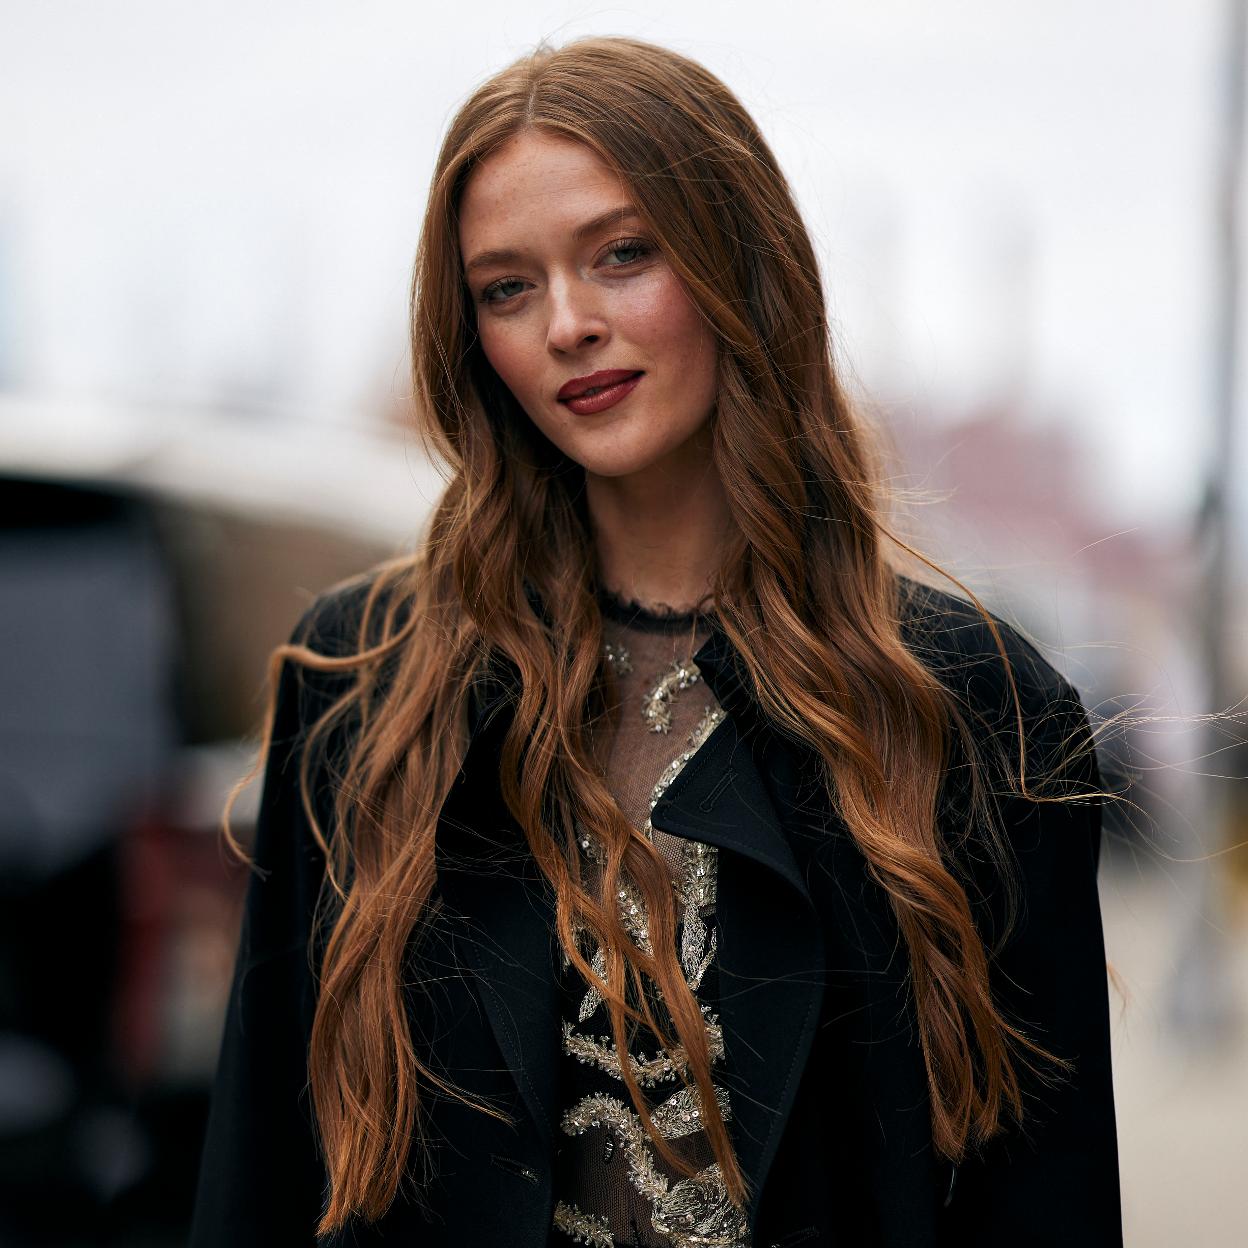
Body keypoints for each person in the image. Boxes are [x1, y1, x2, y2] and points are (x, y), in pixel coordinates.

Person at [189, 35, 1122, 1248]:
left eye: (622, 255)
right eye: (507, 287)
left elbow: (1040, 1201)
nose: (569, 323)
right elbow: (259, 1170)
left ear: (742, 260)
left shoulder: (967, 708)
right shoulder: (366, 681)